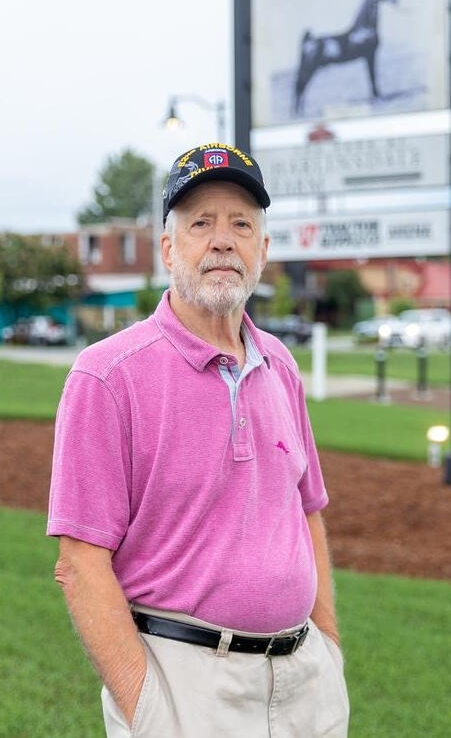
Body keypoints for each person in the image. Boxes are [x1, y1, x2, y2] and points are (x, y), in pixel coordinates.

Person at [47, 142, 350, 737]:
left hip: (304, 684)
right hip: (184, 686)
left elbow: (306, 510)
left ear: (263, 250)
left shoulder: (280, 366)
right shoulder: (107, 375)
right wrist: (151, 713)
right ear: (168, 247)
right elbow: (81, 564)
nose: (222, 240)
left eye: (241, 224)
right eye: (200, 222)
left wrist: (329, 651)